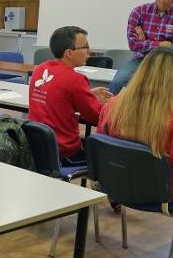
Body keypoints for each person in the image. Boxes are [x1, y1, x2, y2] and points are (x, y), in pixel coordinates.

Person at [99, 46, 173, 258]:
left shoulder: (113, 106)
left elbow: (103, 146)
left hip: (117, 185)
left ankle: (115, 199)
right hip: (165, 193)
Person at [29, 25, 112, 164]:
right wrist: (115, 102)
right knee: (110, 155)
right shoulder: (75, 80)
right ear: (69, 53)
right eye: (85, 46)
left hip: (36, 145)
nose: (89, 51)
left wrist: (88, 94)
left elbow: (57, 95)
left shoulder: (40, 69)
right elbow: (96, 116)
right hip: (64, 152)